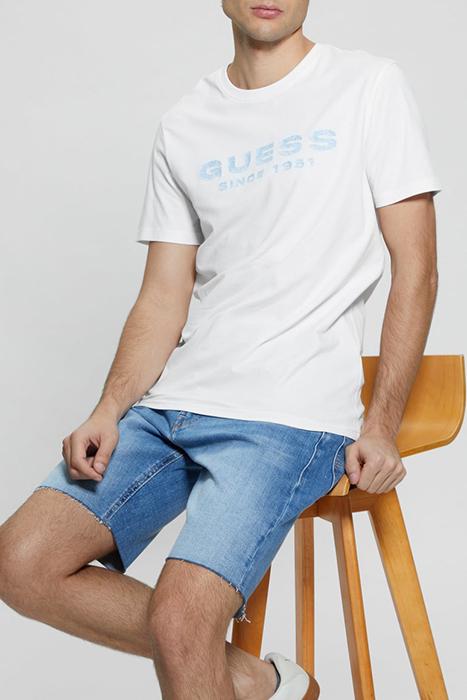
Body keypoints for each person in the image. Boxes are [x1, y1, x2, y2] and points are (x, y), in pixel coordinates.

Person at [0, 1, 441, 698]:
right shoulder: (186, 122)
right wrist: (108, 408)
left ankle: (212, 656)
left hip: (287, 415)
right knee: (22, 562)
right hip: (171, 407)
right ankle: (260, 681)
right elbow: (161, 296)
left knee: (184, 614)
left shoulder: (367, 85)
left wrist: (380, 424)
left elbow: (416, 269)